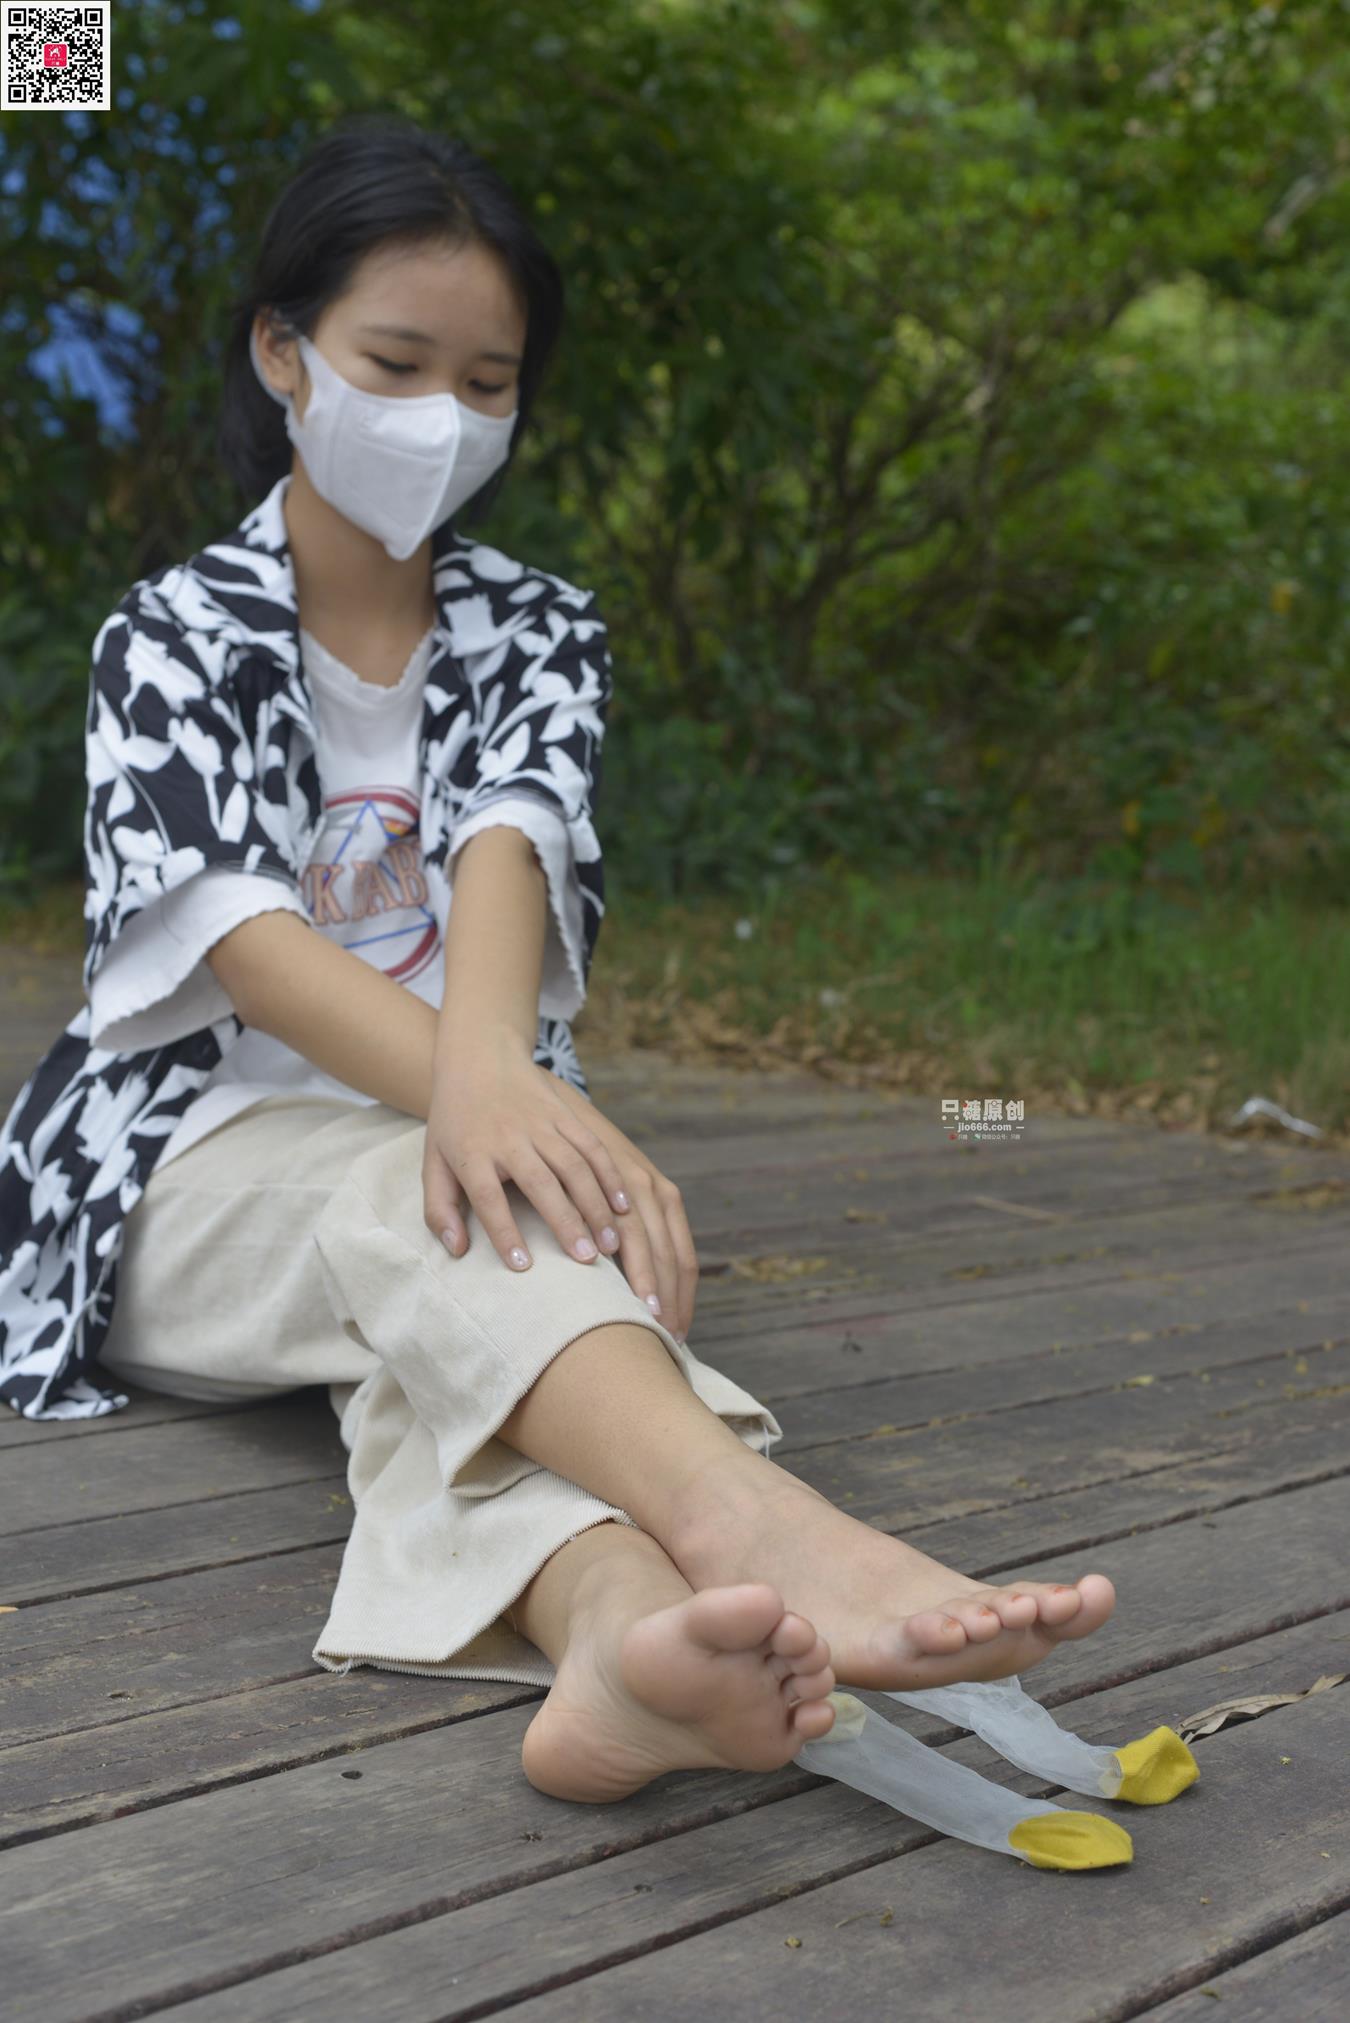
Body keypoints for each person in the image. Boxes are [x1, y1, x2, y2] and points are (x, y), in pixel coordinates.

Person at [0, 114, 1116, 1807]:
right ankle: (753, 1518)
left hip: (455, 1160)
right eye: (395, 364)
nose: (439, 418)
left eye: (487, 382)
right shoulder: (166, 635)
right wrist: (500, 1104)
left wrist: (498, 1098)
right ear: (282, 351)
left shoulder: (540, 628)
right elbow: (247, 943)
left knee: (442, 1306)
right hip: (170, 1177)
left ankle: (617, 1636)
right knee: (444, 1206)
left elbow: (503, 849)